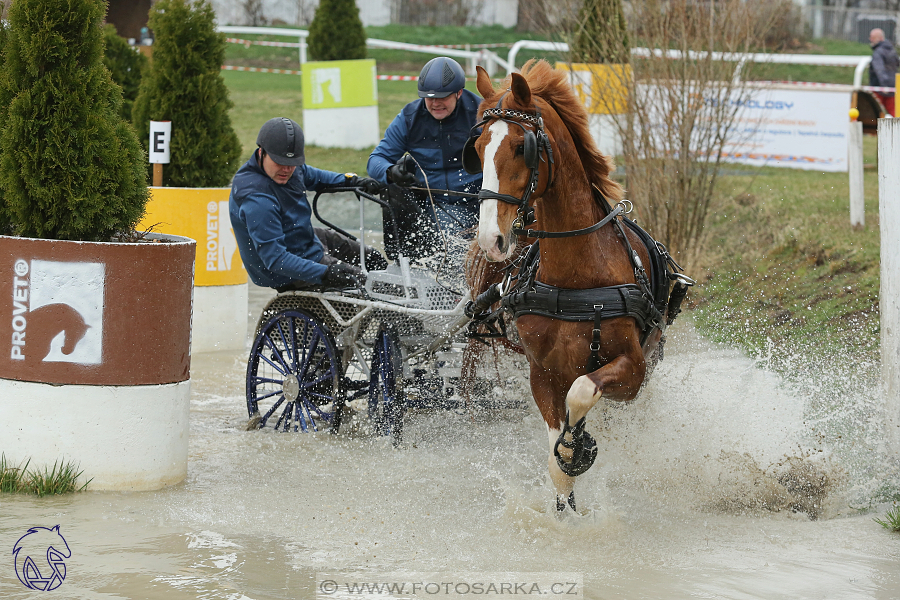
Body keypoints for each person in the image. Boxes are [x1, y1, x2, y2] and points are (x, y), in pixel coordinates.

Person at [230, 117, 386, 292]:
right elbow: (275, 259)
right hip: (286, 267)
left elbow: (315, 176)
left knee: (373, 259)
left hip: (304, 240)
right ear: (261, 153)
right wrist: (326, 272)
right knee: (373, 286)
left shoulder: (290, 169)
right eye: (280, 162)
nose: (287, 169)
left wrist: (355, 182)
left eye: (292, 163)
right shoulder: (257, 199)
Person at [367, 56, 482, 260]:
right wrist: (389, 172)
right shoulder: (410, 117)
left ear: (459, 93)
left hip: (484, 201)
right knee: (455, 254)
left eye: (442, 97)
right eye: (429, 98)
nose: (435, 103)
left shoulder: (481, 113)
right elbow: (376, 159)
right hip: (440, 206)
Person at [870, 28, 899, 116]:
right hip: (893, 86)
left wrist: (884, 85)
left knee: (875, 111)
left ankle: (875, 129)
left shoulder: (878, 52)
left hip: (880, 87)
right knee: (895, 112)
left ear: (880, 38)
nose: (870, 40)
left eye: (873, 37)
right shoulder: (892, 50)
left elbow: (879, 69)